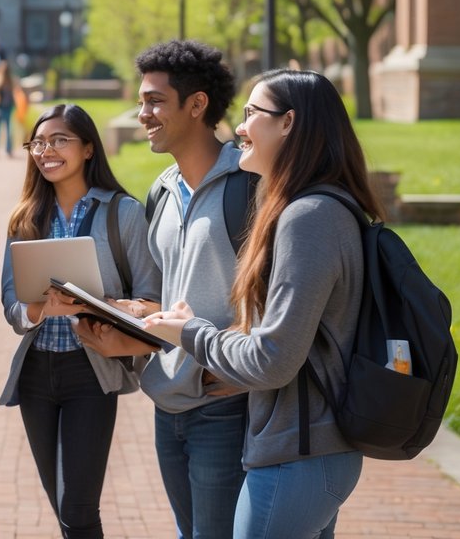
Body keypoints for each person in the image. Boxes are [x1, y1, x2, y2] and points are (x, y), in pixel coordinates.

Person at [146, 70, 375, 538]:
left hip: (302, 451)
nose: (240, 127)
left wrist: (190, 333)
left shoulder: (309, 217)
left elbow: (271, 359)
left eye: (252, 114)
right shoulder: (309, 208)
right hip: (302, 447)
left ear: (288, 123)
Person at [75, 39, 250, 539]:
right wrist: (126, 315)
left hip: (223, 404)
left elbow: (280, 294)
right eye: (141, 100)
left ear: (197, 105)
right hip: (166, 400)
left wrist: (250, 374)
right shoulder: (162, 190)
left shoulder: (250, 184)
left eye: (154, 101)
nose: (142, 113)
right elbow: (171, 297)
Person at [0, 103, 161, 538]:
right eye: (38, 142)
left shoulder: (122, 213)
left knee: (78, 506)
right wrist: (38, 310)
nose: (45, 150)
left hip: (90, 372)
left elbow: (150, 298)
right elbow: (12, 305)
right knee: (62, 504)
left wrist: (106, 306)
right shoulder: (25, 216)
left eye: (59, 140)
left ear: (88, 148)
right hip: (36, 374)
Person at [0, 60, 18, 158]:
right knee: (0, 129)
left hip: (8, 108)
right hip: (1, 108)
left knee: (8, 129)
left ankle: (8, 149)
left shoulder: (10, 81)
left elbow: (13, 96)